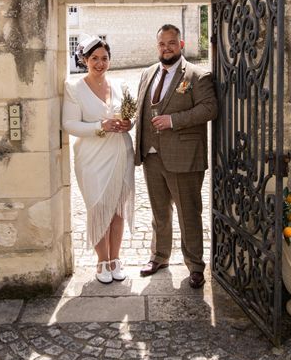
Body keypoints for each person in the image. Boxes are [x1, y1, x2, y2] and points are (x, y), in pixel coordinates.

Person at [134, 24, 218, 288]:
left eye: (171, 43)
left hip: (183, 156)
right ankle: (159, 256)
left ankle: (195, 266)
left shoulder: (197, 75)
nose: (166, 48)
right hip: (152, 155)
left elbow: (209, 108)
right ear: (157, 45)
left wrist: (173, 120)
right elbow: (142, 109)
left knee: (188, 212)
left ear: (181, 45)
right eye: (162, 43)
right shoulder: (148, 73)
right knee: (159, 211)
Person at [62, 35, 135, 284]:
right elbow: (69, 124)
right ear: (84, 60)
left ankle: (115, 259)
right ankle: (101, 260)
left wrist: (128, 123)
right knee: (98, 208)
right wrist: (99, 126)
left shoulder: (120, 85)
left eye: (104, 58)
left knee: (117, 211)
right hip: (91, 159)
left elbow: (130, 116)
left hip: (120, 153)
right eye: (94, 58)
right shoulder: (74, 88)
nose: (100, 63)